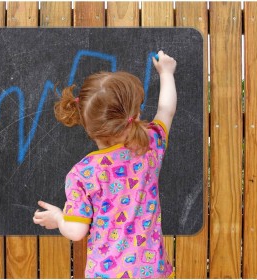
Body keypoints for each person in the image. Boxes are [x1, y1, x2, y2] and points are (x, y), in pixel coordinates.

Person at [33, 51, 177, 279]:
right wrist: (167, 73)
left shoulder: (83, 173)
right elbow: (166, 110)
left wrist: (59, 218)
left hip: (105, 274)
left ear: (87, 125)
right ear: (134, 114)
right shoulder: (150, 145)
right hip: (150, 271)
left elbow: (76, 231)